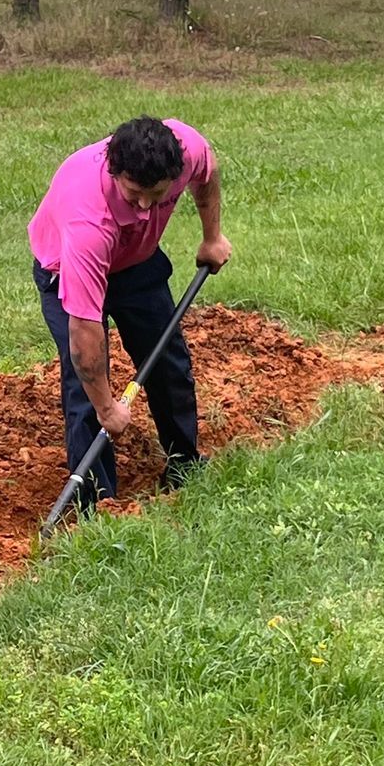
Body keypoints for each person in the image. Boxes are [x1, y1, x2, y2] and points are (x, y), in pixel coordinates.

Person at [29, 116, 231, 509]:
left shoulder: (186, 147)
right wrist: (108, 408)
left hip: (136, 261)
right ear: (114, 170)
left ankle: (184, 464)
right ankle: (98, 503)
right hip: (64, 269)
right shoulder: (88, 219)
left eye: (156, 194)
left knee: (167, 362)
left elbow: (207, 172)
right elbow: (84, 330)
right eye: (134, 193)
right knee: (85, 388)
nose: (144, 207)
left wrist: (212, 237)